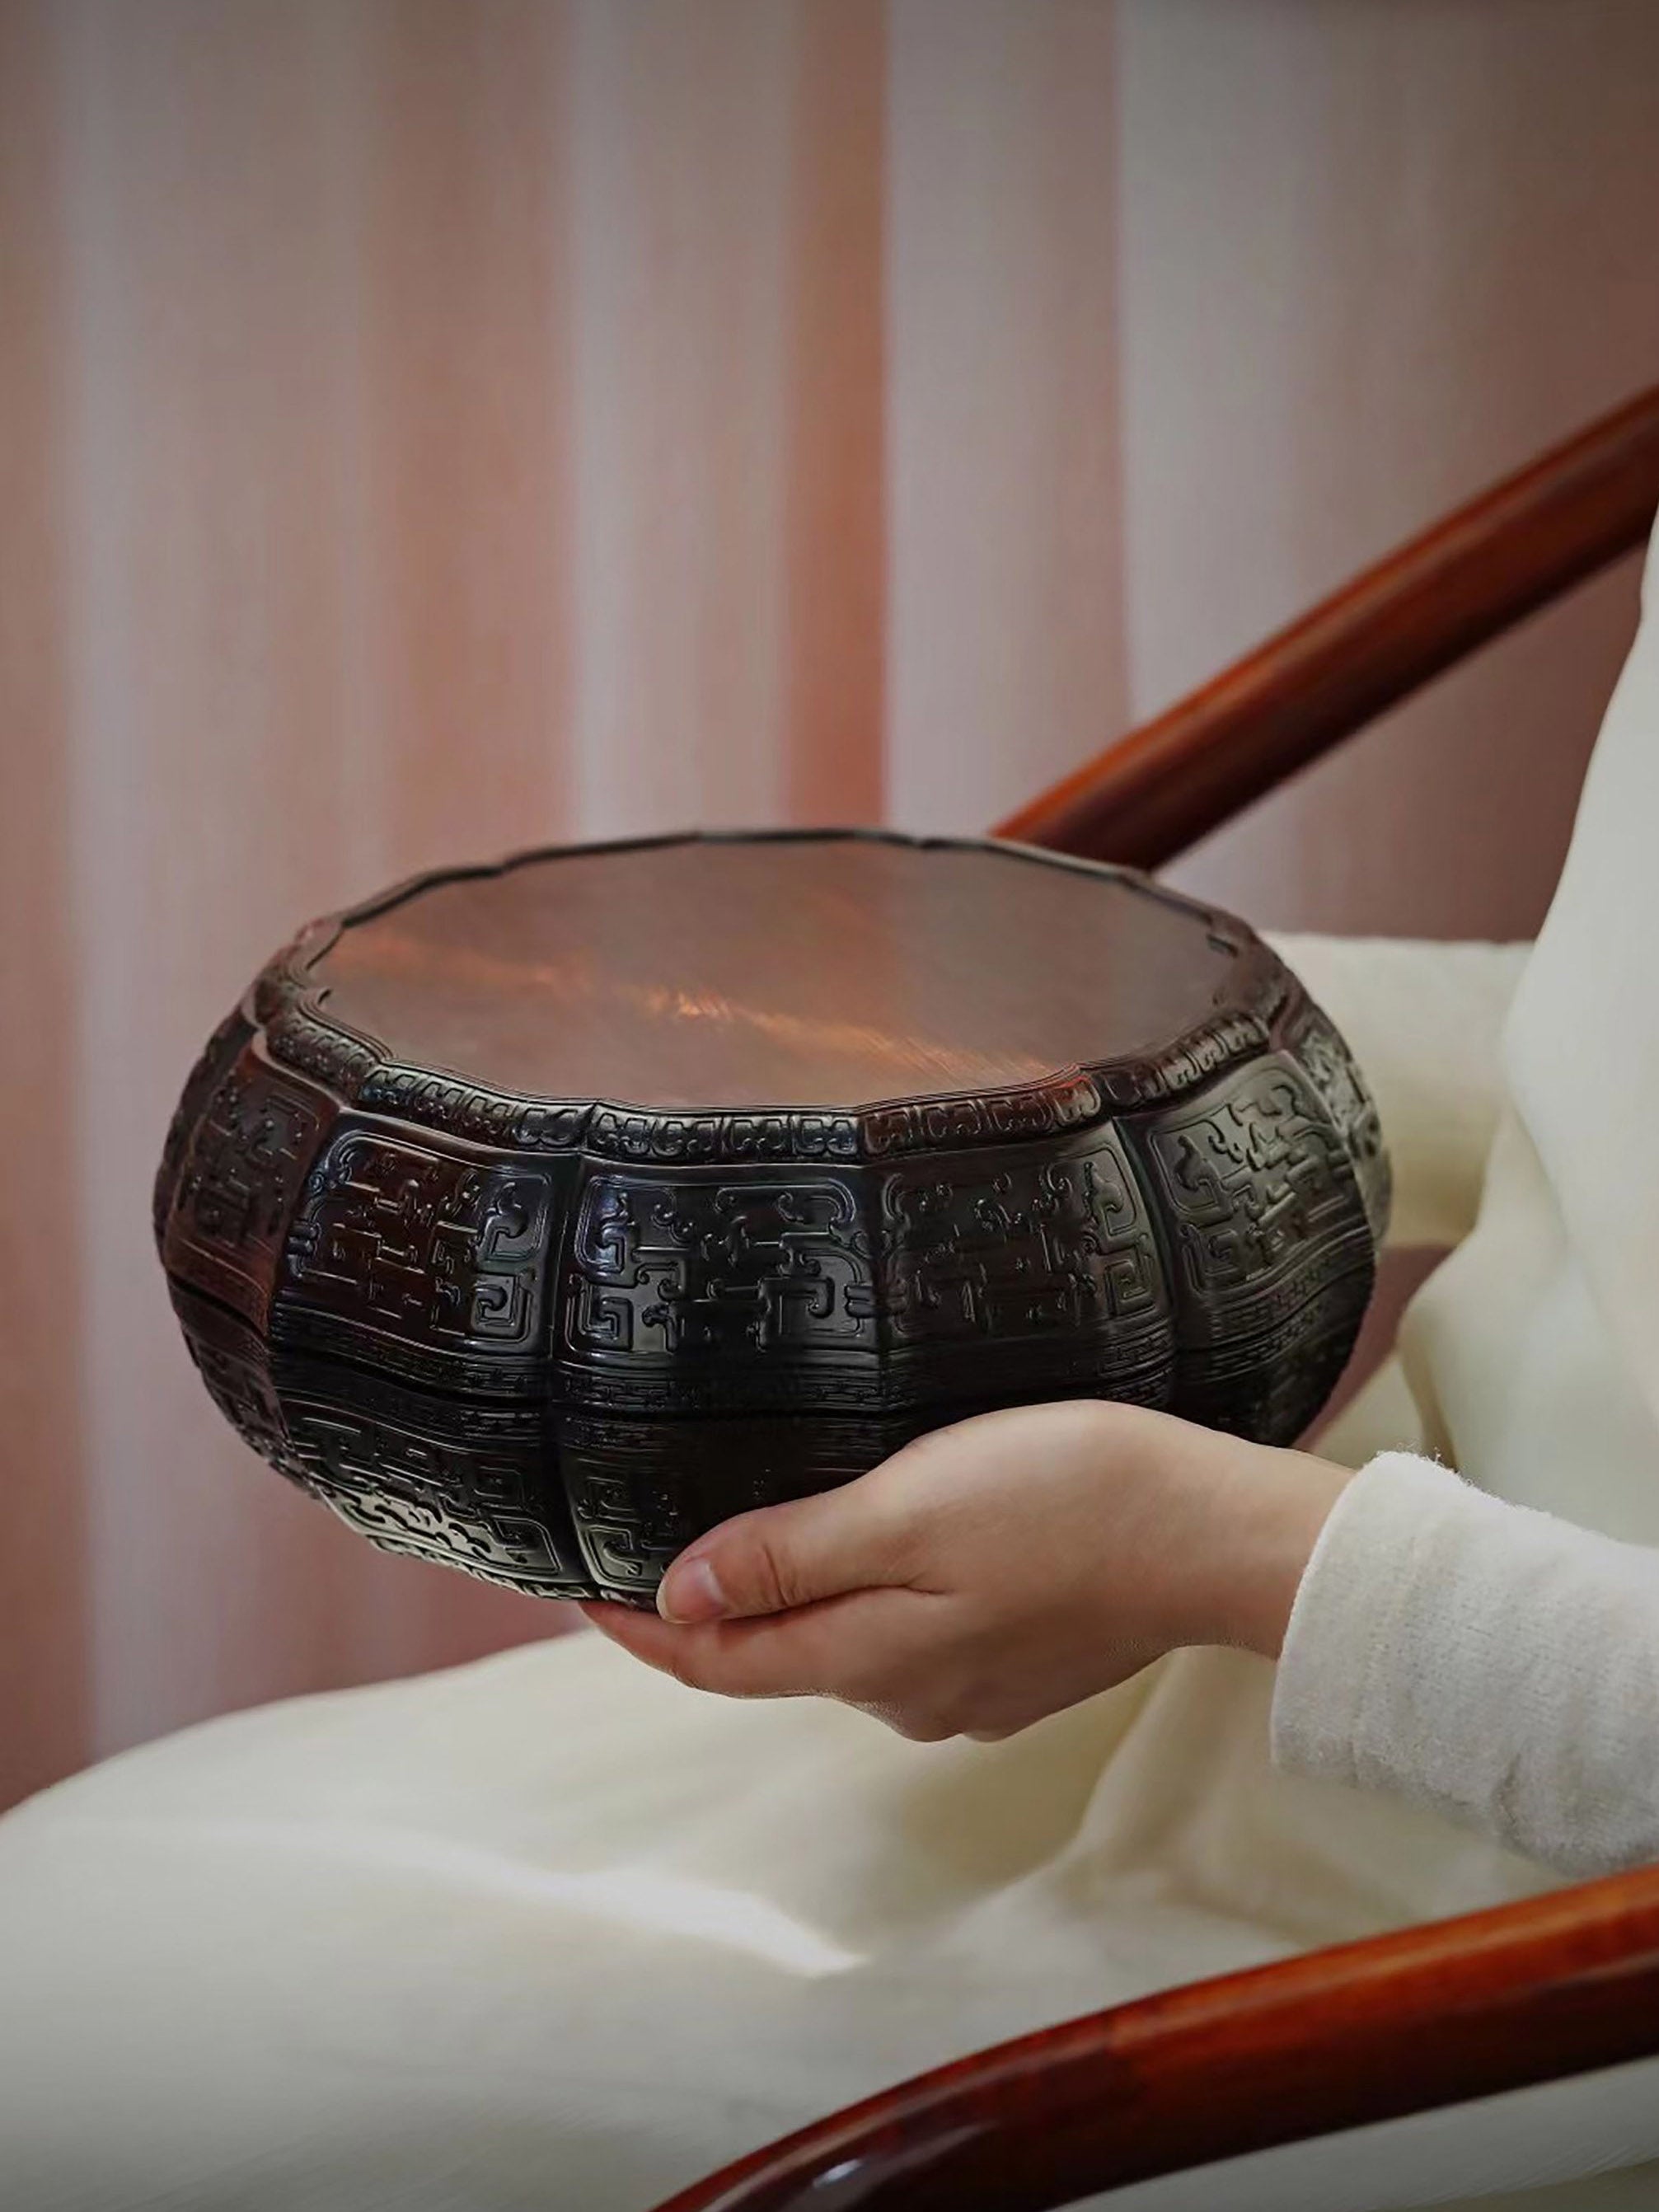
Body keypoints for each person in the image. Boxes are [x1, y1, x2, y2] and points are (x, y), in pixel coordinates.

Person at [4, 528, 1659, 2212]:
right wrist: (1012, 1068)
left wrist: (1216, 1549)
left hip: (1514, 1913)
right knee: (62, 1954)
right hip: (1245, 1657)